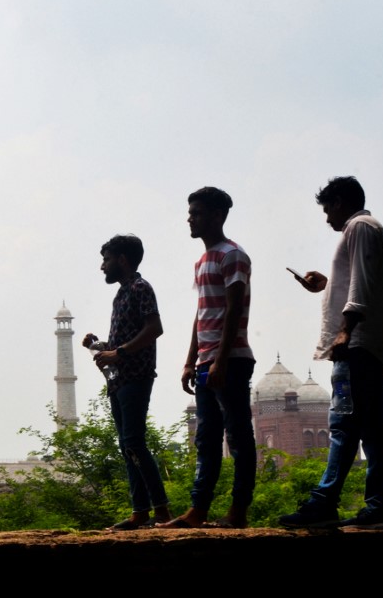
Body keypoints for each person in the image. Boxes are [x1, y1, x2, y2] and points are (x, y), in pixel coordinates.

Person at [280, 177, 383, 530]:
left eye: (328, 207)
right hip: (365, 344)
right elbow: (362, 279)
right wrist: (327, 285)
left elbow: (361, 286)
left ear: (341, 201)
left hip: (357, 345)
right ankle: (362, 505)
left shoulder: (359, 227)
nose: (327, 216)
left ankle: (339, 503)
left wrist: (345, 331)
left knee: (349, 425)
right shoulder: (367, 229)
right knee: (360, 424)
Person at [160, 187, 256, 529]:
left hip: (230, 360)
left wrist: (220, 359)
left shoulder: (233, 255)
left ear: (217, 215)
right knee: (206, 438)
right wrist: (191, 360)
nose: (190, 217)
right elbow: (202, 314)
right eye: (190, 212)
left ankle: (237, 512)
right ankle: (198, 509)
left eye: (197, 212)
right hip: (207, 362)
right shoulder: (202, 261)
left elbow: (233, 310)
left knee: (238, 436)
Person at [83, 235, 170, 530]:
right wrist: (99, 345)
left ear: (121, 260)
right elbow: (124, 342)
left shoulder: (140, 288)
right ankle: (140, 511)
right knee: (126, 445)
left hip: (136, 376)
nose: (102, 267)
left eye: (106, 260)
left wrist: (117, 352)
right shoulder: (121, 294)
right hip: (120, 379)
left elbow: (154, 328)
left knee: (134, 442)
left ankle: (161, 511)